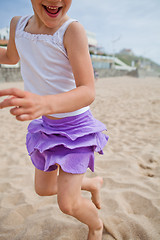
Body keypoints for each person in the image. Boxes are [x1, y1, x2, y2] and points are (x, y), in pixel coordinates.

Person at [0, 1, 109, 239]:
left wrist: (45, 103)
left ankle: (96, 226)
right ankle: (91, 184)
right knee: (44, 189)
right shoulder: (18, 25)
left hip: (76, 128)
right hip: (47, 126)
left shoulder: (72, 30)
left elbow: (88, 90)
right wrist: (43, 107)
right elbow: (10, 56)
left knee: (68, 204)